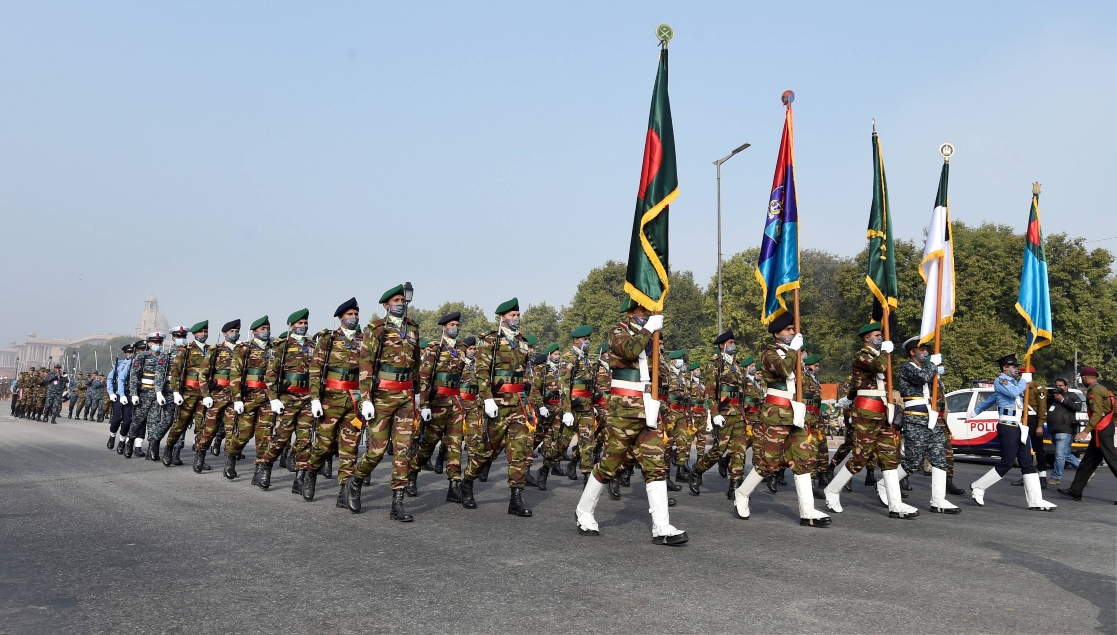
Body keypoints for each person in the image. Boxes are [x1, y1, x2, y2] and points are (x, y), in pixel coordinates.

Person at [574, 298, 687, 544]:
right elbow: (629, 351)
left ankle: (662, 526)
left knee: (656, 465)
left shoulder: (654, 335)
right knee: (610, 463)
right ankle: (584, 511)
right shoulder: (618, 332)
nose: (646, 314)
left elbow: (661, 373)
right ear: (631, 311)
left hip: (649, 407)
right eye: (642, 310)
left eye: (649, 310)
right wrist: (649, 329)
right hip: (624, 408)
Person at [730, 312, 830, 526]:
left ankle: (808, 511)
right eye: (788, 330)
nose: (792, 332)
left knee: (804, 460)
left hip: (796, 413)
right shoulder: (770, 354)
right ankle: (743, 492)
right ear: (777, 333)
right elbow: (784, 370)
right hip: (777, 413)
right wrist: (794, 349)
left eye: (793, 329)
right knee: (768, 463)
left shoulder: (793, 354)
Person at [824, 322, 919, 519]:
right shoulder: (862, 356)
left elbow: (862, 383)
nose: (881, 338)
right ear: (867, 338)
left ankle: (896, 504)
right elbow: (879, 367)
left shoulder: (876, 356)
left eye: (881, 335)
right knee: (860, 457)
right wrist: (885, 353)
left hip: (882, 413)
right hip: (866, 413)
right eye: (877, 335)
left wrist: (849, 397)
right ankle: (832, 490)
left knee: (889, 458)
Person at [344, 286, 422, 520]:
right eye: (396, 300)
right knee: (376, 450)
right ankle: (356, 481)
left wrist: (417, 393)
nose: (400, 303)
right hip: (383, 396)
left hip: (405, 396)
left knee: (404, 450)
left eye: (402, 300)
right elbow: (366, 365)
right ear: (386, 305)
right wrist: (366, 399)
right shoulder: (375, 329)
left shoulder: (413, 328)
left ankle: (397, 502)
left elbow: (416, 364)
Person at [459, 298, 535, 517]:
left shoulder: (522, 342)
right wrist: (487, 398)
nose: (515, 319)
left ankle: (516, 499)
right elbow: (481, 372)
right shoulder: (489, 340)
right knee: (486, 450)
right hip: (498, 403)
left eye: (517, 315)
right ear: (502, 317)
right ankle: (468, 481)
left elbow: (526, 372)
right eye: (511, 316)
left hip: (518, 403)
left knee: (519, 451)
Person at [968, 354, 1057, 510]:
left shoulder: (1014, 383)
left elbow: (992, 399)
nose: (1016, 370)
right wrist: (1024, 381)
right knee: (1008, 461)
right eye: (1014, 367)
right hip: (1007, 425)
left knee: (1028, 463)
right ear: (1005, 368)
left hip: (1019, 426)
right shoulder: (1000, 381)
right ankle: (979, 486)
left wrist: (977, 410)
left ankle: (1035, 500)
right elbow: (1013, 393)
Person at [300, 298, 363, 505]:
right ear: (340, 318)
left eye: (355, 314)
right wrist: (315, 399)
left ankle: (345, 490)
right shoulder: (328, 339)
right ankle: (310, 472)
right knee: (324, 445)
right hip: (331, 399)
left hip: (355, 399)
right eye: (349, 315)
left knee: (350, 446)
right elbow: (316, 370)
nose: (353, 318)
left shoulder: (365, 340)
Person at [409, 311, 468, 500]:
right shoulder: (434, 347)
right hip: (437, 401)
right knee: (429, 443)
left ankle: (454, 484)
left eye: (457, 325)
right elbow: (424, 376)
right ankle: (413, 472)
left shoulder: (461, 348)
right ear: (444, 327)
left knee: (455, 444)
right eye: (451, 325)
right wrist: (424, 403)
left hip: (456, 401)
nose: (455, 328)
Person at [896, 337, 959, 514]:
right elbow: (921, 377)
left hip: (931, 418)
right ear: (912, 352)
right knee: (912, 461)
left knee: (940, 457)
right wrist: (933, 365)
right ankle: (885, 484)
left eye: (926, 349)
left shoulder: (928, 369)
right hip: (915, 418)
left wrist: (936, 371)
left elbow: (937, 389)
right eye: (921, 349)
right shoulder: (907, 367)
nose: (925, 352)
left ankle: (938, 500)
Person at [258, 310, 314, 492]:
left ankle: (299, 478)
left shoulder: (313, 345)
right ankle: (266, 466)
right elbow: (270, 375)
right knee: (281, 438)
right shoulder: (281, 346)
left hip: (307, 398)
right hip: (288, 398)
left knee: (305, 440)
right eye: (300, 324)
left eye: (305, 323)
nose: (303, 326)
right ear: (291, 326)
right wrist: (273, 399)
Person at [688, 330, 747, 498]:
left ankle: (735, 485)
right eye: (730, 342)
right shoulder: (715, 364)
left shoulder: (736, 364)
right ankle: (697, 470)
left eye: (734, 342)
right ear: (722, 345)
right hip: (724, 412)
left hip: (738, 412)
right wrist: (714, 414)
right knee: (719, 449)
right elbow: (710, 391)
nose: (733, 345)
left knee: (739, 450)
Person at [225, 316, 275, 484]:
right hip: (248, 398)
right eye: (262, 329)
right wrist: (237, 398)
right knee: (244, 434)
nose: (266, 331)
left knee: (265, 436)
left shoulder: (274, 349)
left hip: (268, 397)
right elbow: (235, 374)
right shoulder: (243, 348)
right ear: (254, 332)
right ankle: (232, 455)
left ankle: (259, 471)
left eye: (267, 328)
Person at [1057, 367, 1117, 501]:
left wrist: (1085, 431)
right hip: (1104, 427)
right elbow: (1114, 405)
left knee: (1113, 461)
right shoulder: (1104, 389)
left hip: (1101, 428)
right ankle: (1075, 490)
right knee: (1088, 462)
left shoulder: (1093, 390)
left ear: (1084, 378)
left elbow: (1097, 413)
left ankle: (1075, 490)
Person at [194, 320, 243, 473]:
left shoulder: (243, 350)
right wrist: (206, 395)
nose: (234, 333)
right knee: (209, 429)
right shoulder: (215, 350)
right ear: (225, 334)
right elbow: (203, 374)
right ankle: (200, 455)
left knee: (232, 431)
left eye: (237, 330)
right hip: (216, 396)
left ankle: (229, 463)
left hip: (234, 397)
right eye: (232, 330)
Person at [165, 321, 211, 469]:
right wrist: (176, 392)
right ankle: (169, 448)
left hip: (204, 394)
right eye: (201, 332)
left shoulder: (212, 350)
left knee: (202, 426)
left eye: (206, 332)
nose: (204, 334)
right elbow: (176, 373)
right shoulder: (186, 350)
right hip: (188, 393)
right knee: (180, 424)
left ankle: (199, 458)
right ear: (195, 334)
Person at [127, 333, 169, 460]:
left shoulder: (164, 357)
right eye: (155, 343)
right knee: (138, 420)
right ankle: (129, 442)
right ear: (149, 344)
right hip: (144, 393)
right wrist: (134, 393)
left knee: (154, 422)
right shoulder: (142, 356)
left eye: (160, 343)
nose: (158, 345)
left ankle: (152, 449)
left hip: (158, 394)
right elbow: (134, 376)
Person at [1012, 368, 1050, 488]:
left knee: (1039, 449)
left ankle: (1042, 476)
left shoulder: (1039, 389)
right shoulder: (1019, 388)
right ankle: (1027, 475)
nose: (1019, 377)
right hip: (1022, 420)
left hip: (1034, 420)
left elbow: (1042, 409)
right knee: (1023, 449)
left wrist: (1040, 426)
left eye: (1022, 375)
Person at [1046, 378, 1081, 485]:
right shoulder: (1052, 398)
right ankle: (1084, 470)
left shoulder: (1071, 395)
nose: (1058, 388)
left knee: (1060, 455)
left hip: (1066, 429)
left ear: (1066, 387)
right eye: (1056, 386)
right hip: (1053, 430)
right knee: (1064, 454)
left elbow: (1078, 406)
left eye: (1060, 386)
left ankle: (1056, 477)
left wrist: (1062, 399)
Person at [106, 345, 135, 453]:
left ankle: (122, 440)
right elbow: (110, 379)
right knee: (116, 419)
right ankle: (112, 435)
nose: (130, 354)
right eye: (128, 352)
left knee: (127, 421)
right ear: (125, 353)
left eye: (132, 352)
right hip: (118, 394)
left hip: (131, 395)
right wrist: (111, 393)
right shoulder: (119, 364)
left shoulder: (137, 364)